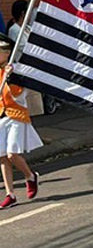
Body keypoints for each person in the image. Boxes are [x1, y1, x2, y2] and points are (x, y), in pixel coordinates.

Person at [0, 33, 42, 208]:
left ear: (7, 52)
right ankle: (10, 194)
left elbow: (19, 95)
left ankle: (30, 175)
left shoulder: (16, 70)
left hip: (15, 115)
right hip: (1, 117)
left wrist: (10, 78)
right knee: (2, 157)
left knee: (12, 154)